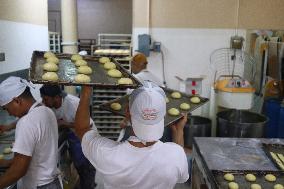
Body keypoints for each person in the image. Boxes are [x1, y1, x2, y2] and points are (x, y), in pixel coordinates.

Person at [74, 81, 189, 189]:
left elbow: (82, 129)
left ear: (128, 112)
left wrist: (85, 93)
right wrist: (178, 131)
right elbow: (181, 174)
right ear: (164, 115)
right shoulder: (175, 156)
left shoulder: (107, 154)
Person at [0, 76, 61, 189]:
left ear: (17, 101)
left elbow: (18, 171)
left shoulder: (25, 122)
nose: (9, 114)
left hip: (38, 185)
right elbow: (38, 153)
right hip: (53, 183)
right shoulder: (47, 111)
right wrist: (9, 162)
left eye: (6, 108)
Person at [39, 85, 96, 189]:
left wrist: (65, 124)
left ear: (56, 97)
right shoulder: (50, 105)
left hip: (86, 138)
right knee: (80, 166)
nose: (43, 102)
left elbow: (89, 125)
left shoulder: (73, 103)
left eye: (45, 99)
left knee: (86, 167)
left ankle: (89, 185)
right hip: (73, 136)